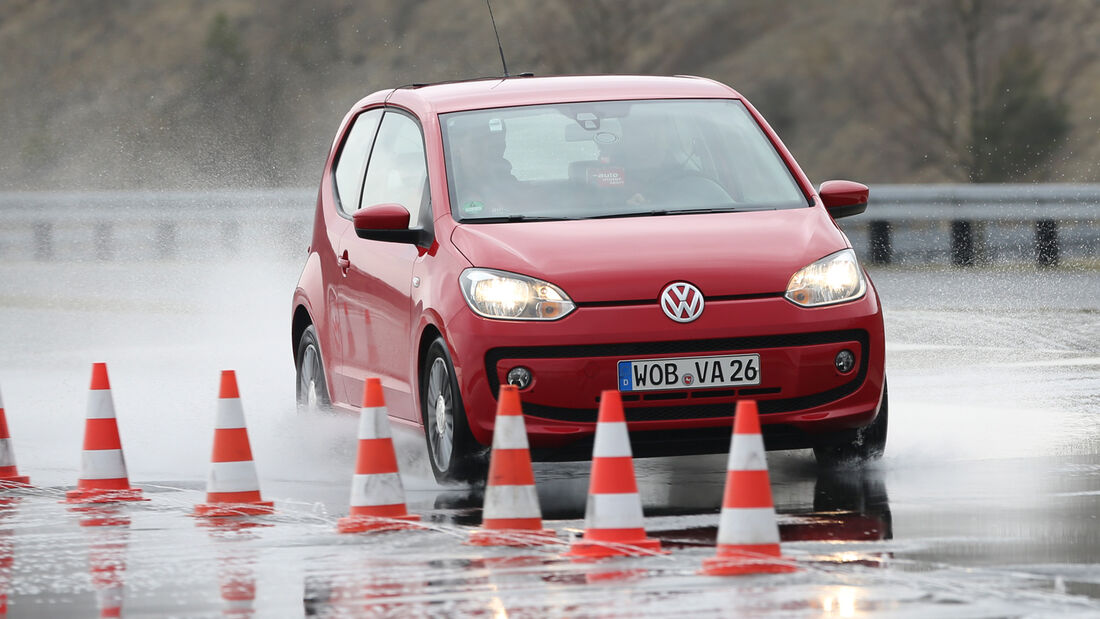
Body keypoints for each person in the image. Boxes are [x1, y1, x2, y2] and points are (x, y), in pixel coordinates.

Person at [447, 116, 521, 217]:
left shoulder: (507, 182)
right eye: (477, 141)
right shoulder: (447, 194)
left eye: (490, 142)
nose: (487, 148)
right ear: (456, 148)